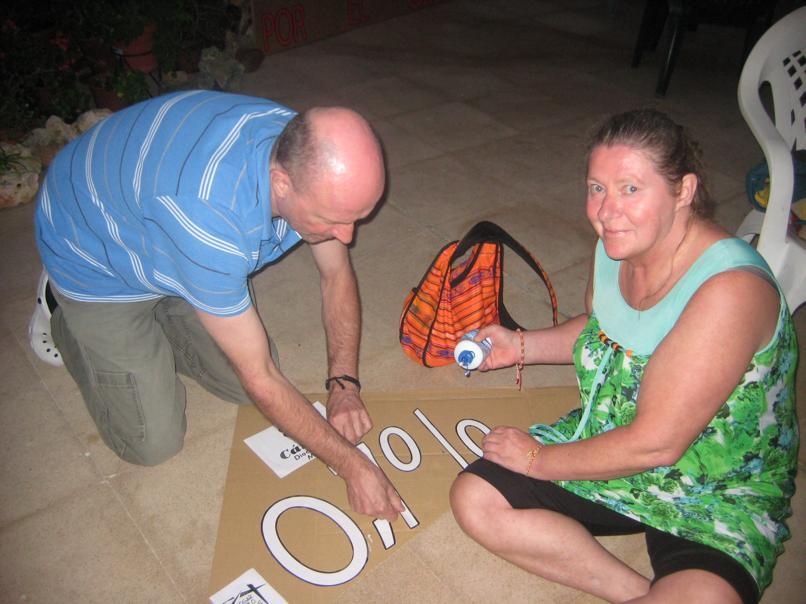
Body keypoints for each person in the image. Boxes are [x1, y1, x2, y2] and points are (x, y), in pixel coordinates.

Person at [450, 109, 798, 603]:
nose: (606, 211)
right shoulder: (614, 246)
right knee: (475, 500)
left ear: (684, 190)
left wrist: (538, 459)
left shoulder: (730, 291)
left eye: (630, 189)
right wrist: (519, 344)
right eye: (597, 188)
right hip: (611, 436)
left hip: (713, 486)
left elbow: (657, 445)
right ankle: (637, 591)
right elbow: (602, 333)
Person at [32, 90, 403, 521]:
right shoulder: (211, 220)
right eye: (333, 220)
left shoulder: (303, 148)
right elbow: (260, 378)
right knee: (154, 442)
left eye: (356, 217)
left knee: (242, 383)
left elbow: (335, 276)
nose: (348, 236)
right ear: (281, 183)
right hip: (89, 250)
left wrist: (344, 385)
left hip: (157, 226)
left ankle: (177, 288)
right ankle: (60, 308)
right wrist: (354, 467)